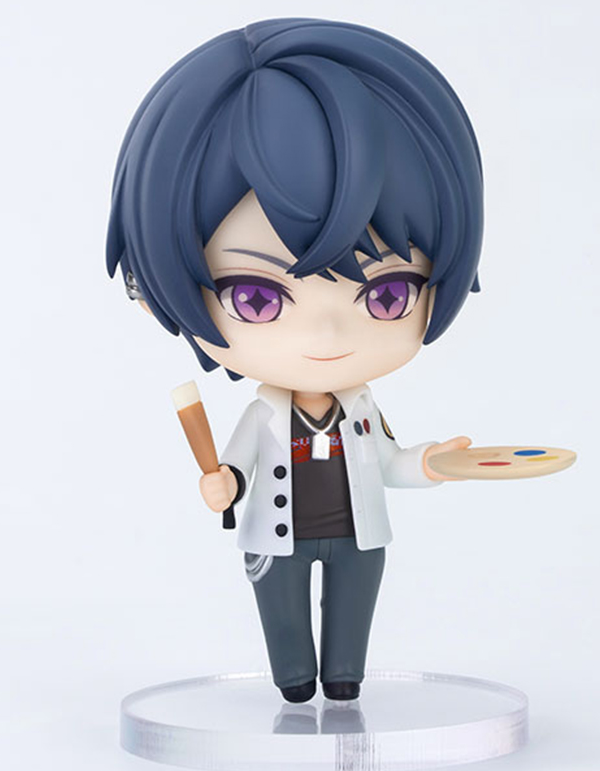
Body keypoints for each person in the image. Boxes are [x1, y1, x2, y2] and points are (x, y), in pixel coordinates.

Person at [106, 18, 484, 703]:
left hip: (358, 536)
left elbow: (390, 463)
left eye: (388, 294)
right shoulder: (263, 415)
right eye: (256, 298)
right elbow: (234, 469)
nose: (328, 331)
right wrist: (222, 483)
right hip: (273, 539)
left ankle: (344, 677)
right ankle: (292, 682)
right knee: (285, 629)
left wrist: (431, 463)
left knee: (351, 628)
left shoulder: (362, 410)